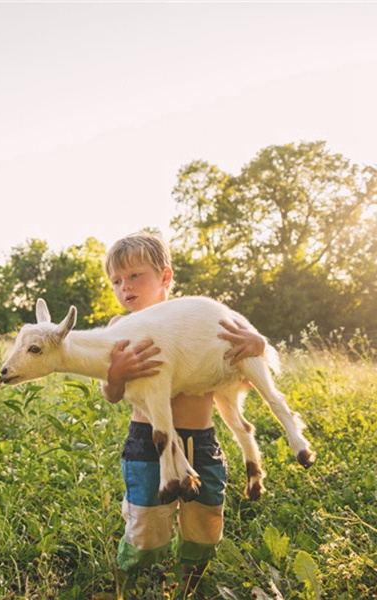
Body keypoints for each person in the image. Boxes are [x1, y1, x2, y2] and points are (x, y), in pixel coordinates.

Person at [100, 231, 266, 591]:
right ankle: (126, 582)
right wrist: (116, 374)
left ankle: (189, 584)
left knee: (204, 524)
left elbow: (249, 364)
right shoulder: (118, 328)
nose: (124, 287)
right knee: (146, 525)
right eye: (116, 281)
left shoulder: (201, 322)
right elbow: (111, 394)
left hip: (202, 442)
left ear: (165, 277)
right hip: (148, 445)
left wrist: (259, 344)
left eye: (135, 276)